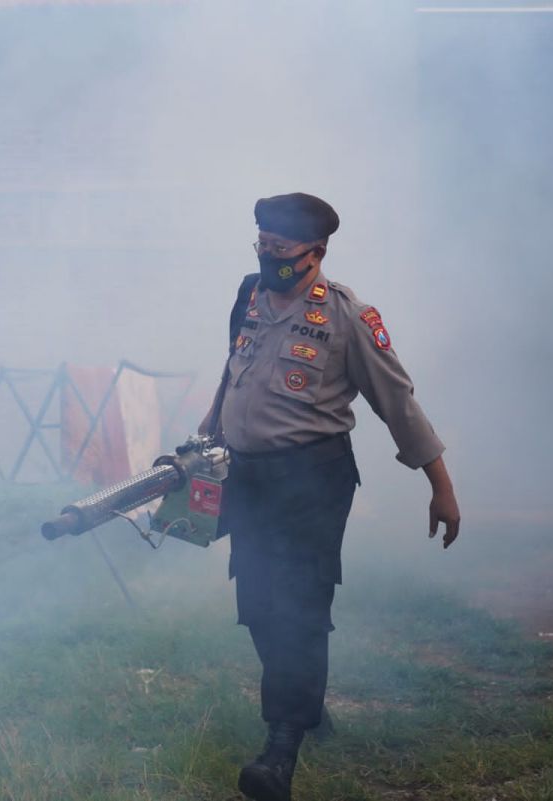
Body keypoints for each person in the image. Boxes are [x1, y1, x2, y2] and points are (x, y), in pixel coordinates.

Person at [199, 192, 461, 801]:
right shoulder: (248, 295)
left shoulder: (348, 317)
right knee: (258, 604)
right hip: (248, 476)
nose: (268, 255)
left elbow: (398, 403)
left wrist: (441, 486)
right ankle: (308, 708)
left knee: (299, 606)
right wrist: (205, 441)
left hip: (312, 479)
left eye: (280, 247)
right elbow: (231, 374)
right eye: (262, 243)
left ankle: (280, 749)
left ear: (315, 252)